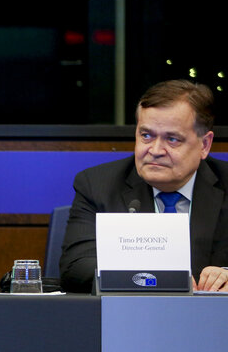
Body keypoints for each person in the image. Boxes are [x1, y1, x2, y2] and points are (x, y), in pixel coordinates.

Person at [60, 79, 228, 293]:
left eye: (172, 139)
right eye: (146, 135)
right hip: (126, 318)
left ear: (204, 145)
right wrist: (154, 278)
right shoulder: (97, 185)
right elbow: (76, 268)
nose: (155, 150)